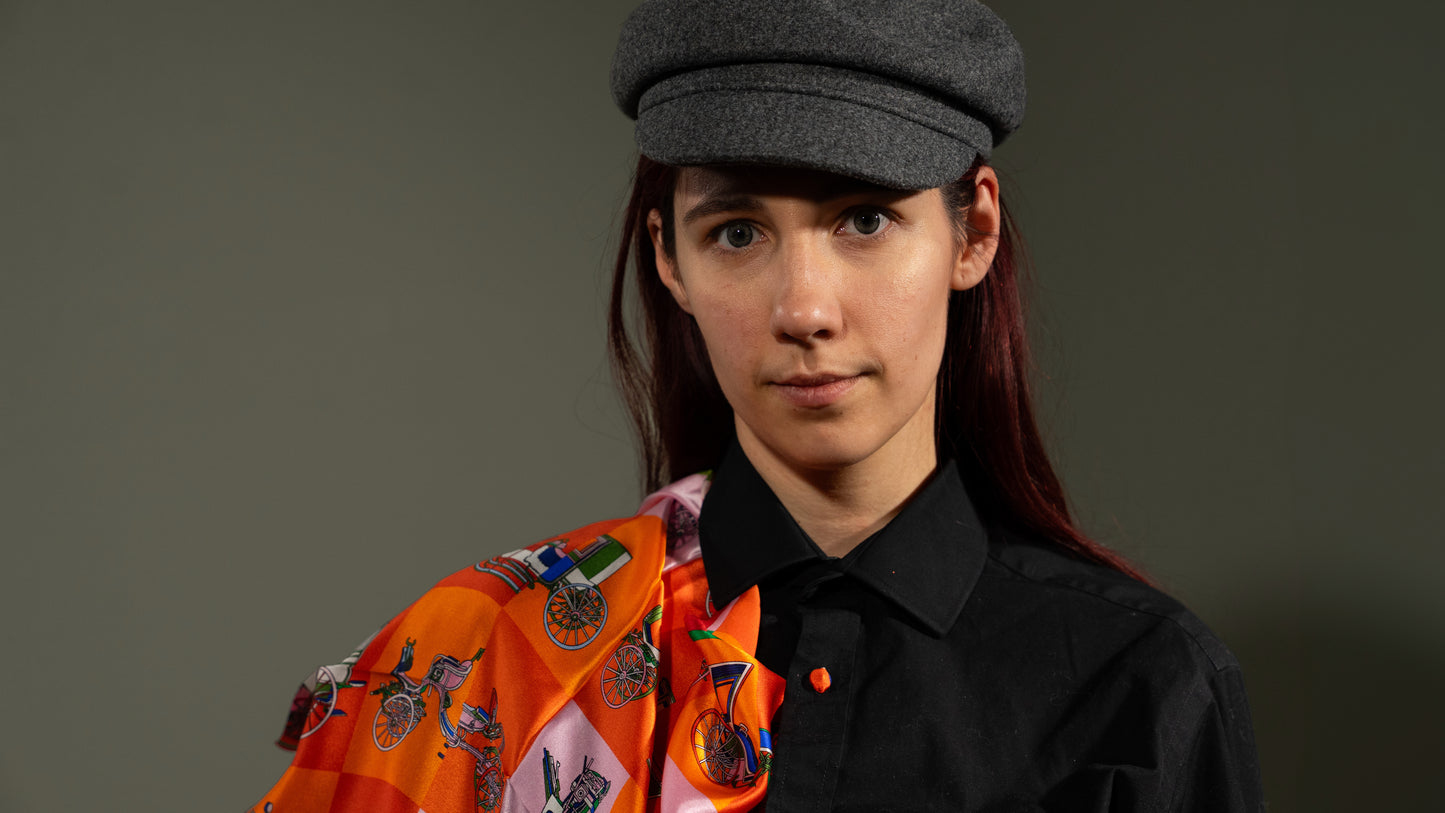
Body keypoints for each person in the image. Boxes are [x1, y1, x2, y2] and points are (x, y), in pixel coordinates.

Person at [251, 1, 1264, 810]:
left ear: (972, 232)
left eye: (863, 218)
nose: (803, 309)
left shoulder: (1140, 689)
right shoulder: (483, 664)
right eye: (736, 232)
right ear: (668, 259)